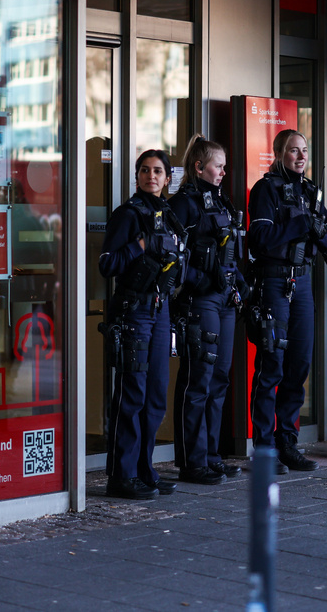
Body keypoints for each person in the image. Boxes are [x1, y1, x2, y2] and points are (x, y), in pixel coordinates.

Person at [247, 129, 327, 473]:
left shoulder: (312, 191)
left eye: (304, 151)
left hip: (302, 283)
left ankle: (288, 442)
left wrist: (317, 229)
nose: (300, 156)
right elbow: (260, 239)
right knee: (272, 366)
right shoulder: (266, 189)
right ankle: (264, 449)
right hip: (274, 281)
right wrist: (300, 224)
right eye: (293, 150)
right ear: (278, 153)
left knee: (298, 367)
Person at [99, 149, 187, 499]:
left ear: (168, 179)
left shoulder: (169, 214)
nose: (152, 176)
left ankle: (144, 469)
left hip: (160, 308)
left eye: (158, 171)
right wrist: (140, 244)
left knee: (155, 396)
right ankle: (122, 475)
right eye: (145, 171)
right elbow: (107, 264)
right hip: (133, 310)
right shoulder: (128, 214)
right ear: (137, 176)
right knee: (132, 395)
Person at [168, 135, 248, 484]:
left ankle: (211, 455)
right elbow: (169, 255)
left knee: (219, 379)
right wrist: (199, 278)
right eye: (218, 165)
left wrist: (240, 286)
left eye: (224, 166)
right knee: (198, 380)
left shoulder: (222, 202)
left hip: (224, 299)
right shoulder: (183, 203)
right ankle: (191, 461)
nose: (223, 172)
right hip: (200, 299)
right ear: (199, 167)